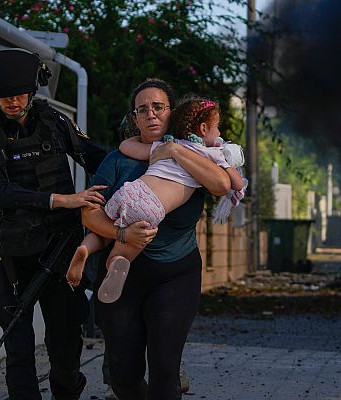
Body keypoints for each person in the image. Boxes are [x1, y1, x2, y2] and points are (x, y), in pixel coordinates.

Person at [0, 49, 107, 400]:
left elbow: (97, 159)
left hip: (60, 251)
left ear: (33, 90)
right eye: (5, 94)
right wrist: (63, 200)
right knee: (19, 347)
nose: (12, 101)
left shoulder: (55, 123)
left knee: (65, 345)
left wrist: (147, 162)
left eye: (19, 92)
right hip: (9, 257)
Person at [80, 78, 232, 399]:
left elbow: (221, 184)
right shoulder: (117, 160)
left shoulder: (193, 153)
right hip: (125, 278)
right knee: (122, 376)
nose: (151, 114)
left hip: (175, 274)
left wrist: (174, 149)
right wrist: (122, 233)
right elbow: (90, 215)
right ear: (134, 118)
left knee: (165, 372)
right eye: (142, 110)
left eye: (158, 107)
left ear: (172, 113)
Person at [66, 97, 245, 303]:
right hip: (152, 208)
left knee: (105, 229)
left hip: (131, 191)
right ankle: (116, 262)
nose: (220, 134)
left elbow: (126, 147)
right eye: (217, 129)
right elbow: (235, 184)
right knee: (126, 248)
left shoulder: (166, 144)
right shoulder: (211, 155)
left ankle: (85, 248)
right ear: (204, 129)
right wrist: (229, 165)